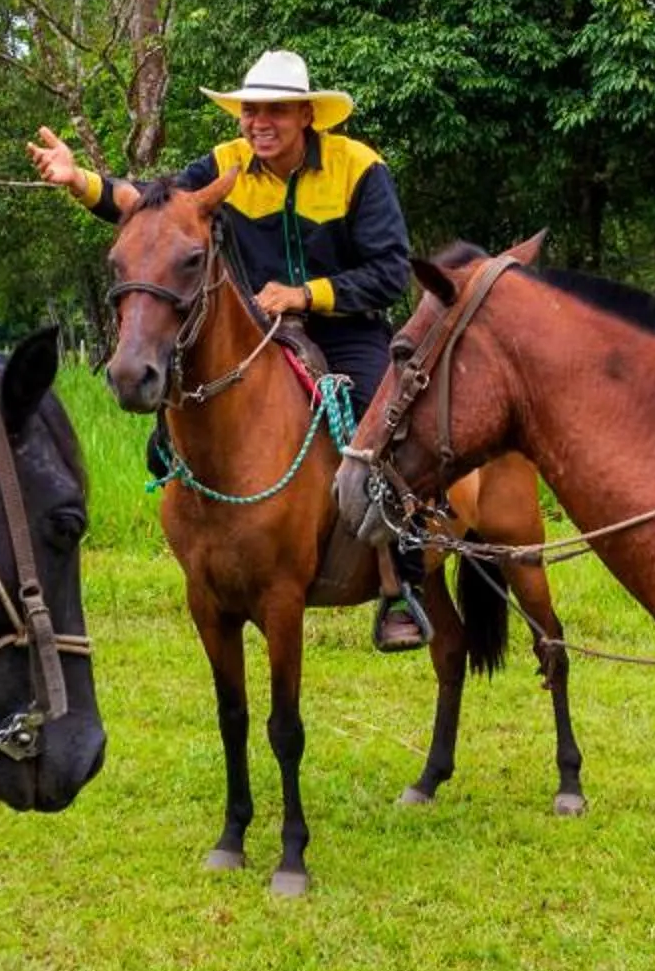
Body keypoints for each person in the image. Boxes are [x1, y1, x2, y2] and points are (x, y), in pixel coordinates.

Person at [27, 48, 427, 651]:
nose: (259, 122)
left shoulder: (359, 168)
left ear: (306, 117)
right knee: (175, 431)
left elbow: (391, 271)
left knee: (390, 437)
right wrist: (79, 180)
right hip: (259, 330)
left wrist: (306, 294)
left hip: (345, 327)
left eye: (274, 111)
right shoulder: (223, 165)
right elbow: (150, 209)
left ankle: (403, 582)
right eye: (250, 112)